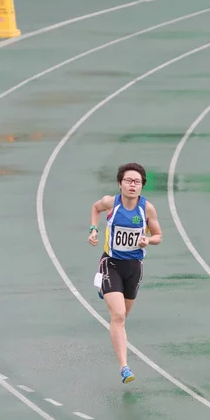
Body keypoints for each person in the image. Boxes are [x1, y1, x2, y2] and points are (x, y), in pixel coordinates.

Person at [88, 163, 162, 384]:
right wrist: (93, 229)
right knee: (118, 315)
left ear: (142, 186)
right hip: (111, 263)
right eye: (128, 181)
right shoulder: (112, 203)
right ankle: (124, 367)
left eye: (137, 182)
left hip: (134, 268)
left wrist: (148, 240)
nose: (132, 185)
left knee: (122, 317)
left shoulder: (147, 209)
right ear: (120, 184)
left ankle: (109, 291)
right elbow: (95, 208)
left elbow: (158, 235)